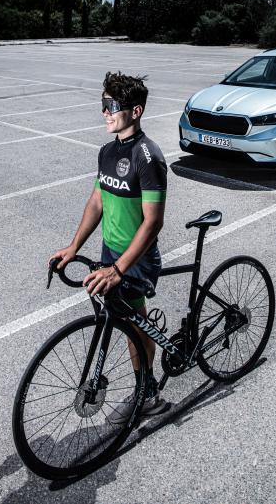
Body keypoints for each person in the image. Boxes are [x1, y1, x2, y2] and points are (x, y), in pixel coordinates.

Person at [50, 72, 168, 422]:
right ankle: (148, 381)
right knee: (128, 318)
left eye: (112, 105)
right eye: (103, 104)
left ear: (136, 111)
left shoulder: (148, 157)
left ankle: (148, 394)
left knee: (134, 324)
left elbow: (153, 223)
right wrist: (73, 247)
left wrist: (119, 269)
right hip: (110, 252)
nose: (105, 112)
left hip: (136, 258)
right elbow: (97, 202)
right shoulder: (107, 152)